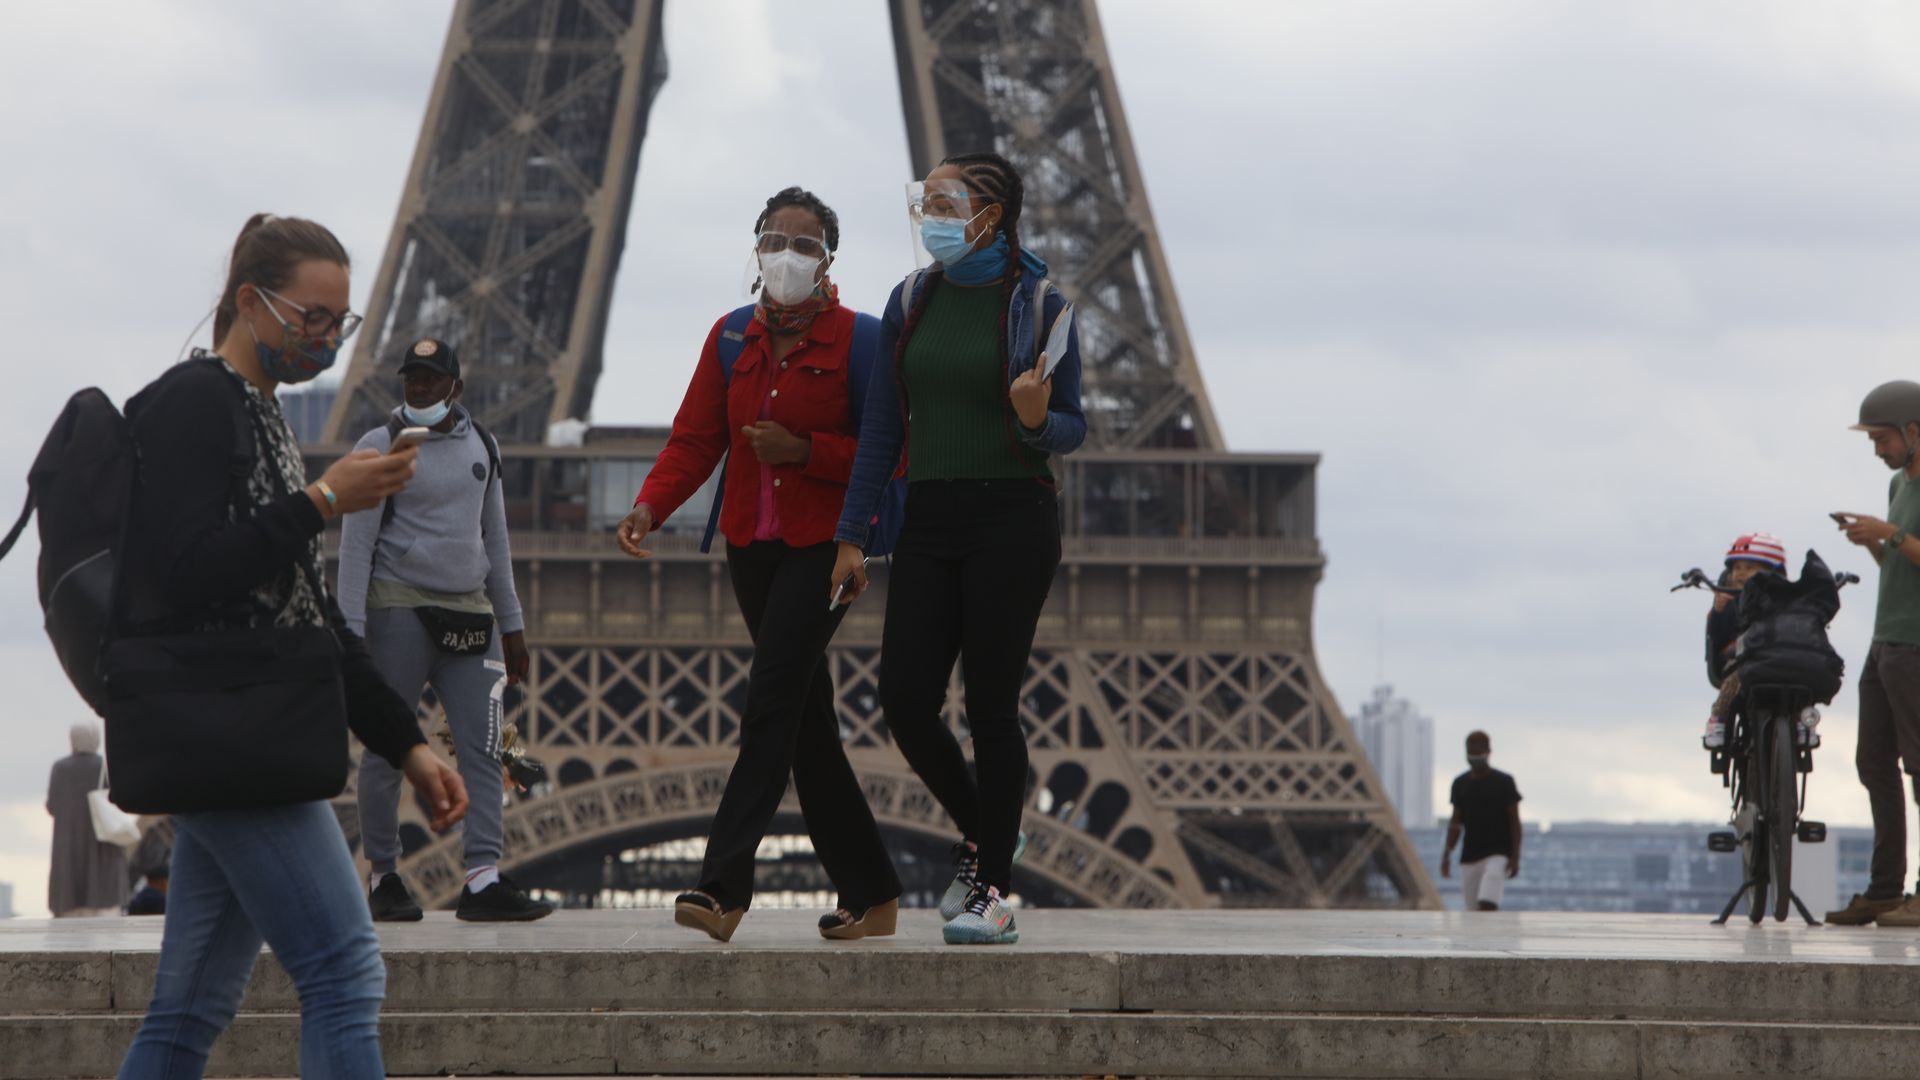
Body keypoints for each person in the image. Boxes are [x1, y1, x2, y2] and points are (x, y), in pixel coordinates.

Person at [116, 213, 469, 1077]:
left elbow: (305, 615)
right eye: (309, 318)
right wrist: (322, 502)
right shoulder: (191, 403)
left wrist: (408, 744)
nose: (325, 340)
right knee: (345, 971)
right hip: (233, 730)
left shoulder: (260, 415)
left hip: (235, 733)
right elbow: (187, 571)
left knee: (190, 1008)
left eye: (338, 324)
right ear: (249, 301)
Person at [616, 187, 902, 942]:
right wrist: (651, 505)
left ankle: (722, 888)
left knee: (771, 702)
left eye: (803, 245)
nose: (786, 256)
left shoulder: (863, 342)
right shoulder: (730, 338)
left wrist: (805, 452)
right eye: (774, 240)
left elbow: (892, 453)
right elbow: (695, 439)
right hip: (752, 545)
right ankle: (874, 891)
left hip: (825, 547)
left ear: (828, 258)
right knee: (807, 725)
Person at [829, 152, 1086, 946]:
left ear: (992, 211)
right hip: (930, 516)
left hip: (1012, 515)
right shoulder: (912, 300)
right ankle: (988, 828)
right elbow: (880, 430)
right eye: (926, 200)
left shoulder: (1040, 304)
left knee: (990, 704)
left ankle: (994, 894)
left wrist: (1036, 415)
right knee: (904, 699)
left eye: (946, 200)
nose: (930, 213)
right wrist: (851, 535)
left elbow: (1070, 427)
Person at [338, 337, 549, 923]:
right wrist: (349, 632)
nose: (420, 388)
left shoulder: (484, 445)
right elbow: (355, 549)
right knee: (388, 748)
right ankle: (384, 875)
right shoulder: (380, 446)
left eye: (431, 380)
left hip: (470, 614)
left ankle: (482, 879)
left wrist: (513, 624)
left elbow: (496, 540)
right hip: (398, 610)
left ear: (455, 386)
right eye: (412, 379)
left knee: (485, 747)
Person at [1827, 380, 1920, 928]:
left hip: (1915, 646)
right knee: (1873, 763)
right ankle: (1885, 890)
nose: (1878, 450)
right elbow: (1900, 568)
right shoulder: (1896, 486)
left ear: (1914, 431)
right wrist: (1874, 542)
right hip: (1885, 641)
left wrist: (1889, 535)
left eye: (1882, 438)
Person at [1701, 533, 1794, 751]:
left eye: (1750, 567)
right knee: (1736, 675)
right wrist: (1719, 611)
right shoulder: (1730, 600)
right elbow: (1718, 636)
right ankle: (1719, 717)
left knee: (1798, 675)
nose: (1741, 573)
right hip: (1740, 661)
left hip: (1779, 660)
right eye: (1737, 568)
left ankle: (1801, 721)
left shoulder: (1785, 600)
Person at [46, 722, 129, 918]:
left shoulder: (60, 768)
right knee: (106, 920)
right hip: (104, 852)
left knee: (68, 923)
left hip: (68, 853)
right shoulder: (106, 766)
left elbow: (52, 806)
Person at [1440, 732, 1521, 911]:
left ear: (1488, 750)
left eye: (1478, 751)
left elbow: (1515, 822)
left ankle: (1490, 937)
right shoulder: (1459, 784)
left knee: (1488, 901)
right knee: (1472, 911)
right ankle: (1484, 939)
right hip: (1469, 856)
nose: (1474, 756)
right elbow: (1456, 822)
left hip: (1498, 854)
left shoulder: (1505, 782)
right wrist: (1447, 853)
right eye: (1471, 751)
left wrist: (1515, 856)